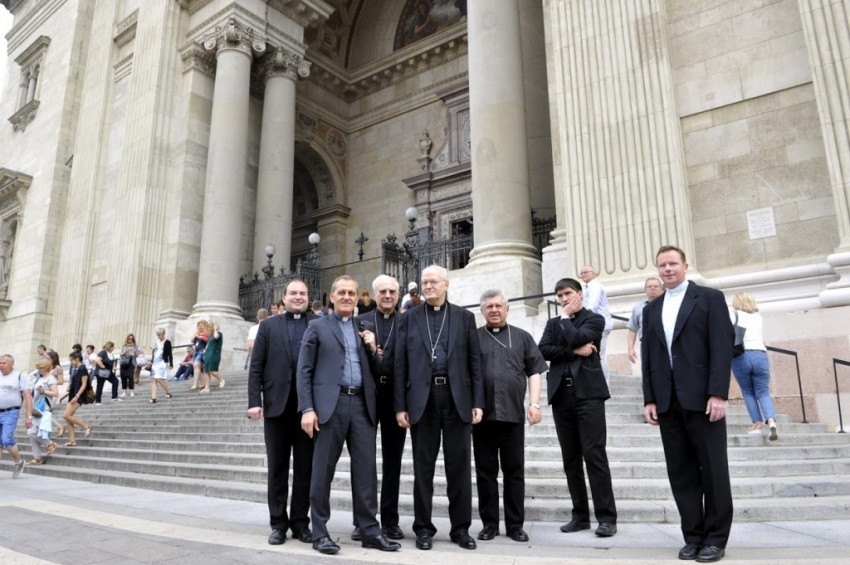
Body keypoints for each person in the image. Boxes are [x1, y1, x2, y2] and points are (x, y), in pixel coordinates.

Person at [641, 245, 734, 563]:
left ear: (685, 265)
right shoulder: (652, 309)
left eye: (672, 263)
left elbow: (721, 347)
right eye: (662, 265)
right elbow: (649, 357)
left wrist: (718, 393)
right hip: (668, 402)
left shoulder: (709, 299)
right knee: (681, 473)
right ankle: (693, 537)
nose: (667, 269)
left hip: (703, 400)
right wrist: (649, 398)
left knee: (713, 471)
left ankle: (715, 539)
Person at [297, 275, 400, 555]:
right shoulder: (317, 327)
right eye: (341, 292)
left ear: (357, 298)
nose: (346, 297)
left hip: (363, 406)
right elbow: (304, 370)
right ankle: (320, 532)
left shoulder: (363, 327)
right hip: (331, 406)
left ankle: (369, 531)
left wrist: (373, 348)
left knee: (366, 472)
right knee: (323, 472)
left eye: (351, 293)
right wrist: (307, 408)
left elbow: (379, 370)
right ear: (332, 297)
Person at [394, 264, 484, 551]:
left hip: (457, 399)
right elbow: (400, 363)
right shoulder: (409, 318)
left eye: (433, 282)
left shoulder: (464, 317)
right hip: (423, 400)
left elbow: (474, 362)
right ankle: (423, 529)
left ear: (447, 284)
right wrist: (400, 406)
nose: (428, 286)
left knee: (459, 468)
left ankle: (461, 529)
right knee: (423, 469)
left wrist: (477, 401)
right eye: (424, 282)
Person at [538, 277, 618, 538]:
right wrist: (573, 351)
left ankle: (606, 518)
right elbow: (543, 350)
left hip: (588, 395)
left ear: (580, 294)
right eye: (560, 295)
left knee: (594, 455)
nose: (564, 299)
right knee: (570, 459)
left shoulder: (594, 319)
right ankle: (580, 516)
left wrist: (565, 321)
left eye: (568, 294)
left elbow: (579, 336)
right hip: (562, 395)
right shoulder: (553, 323)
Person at [474, 289, 547, 543]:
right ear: (482, 311)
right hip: (481, 417)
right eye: (489, 307)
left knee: (514, 473)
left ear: (507, 309)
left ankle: (515, 525)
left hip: (512, 416)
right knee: (485, 473)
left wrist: (534, 404)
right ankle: (489, 524)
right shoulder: (474, 338)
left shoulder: (522, 337)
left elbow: (534, 371)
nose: (494, 310)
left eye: (498, 306)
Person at [248, 279, 316, 546]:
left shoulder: (319, 324)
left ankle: (300, 523)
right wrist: (254, 400)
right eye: (293, 293)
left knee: (305, 469)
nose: (298, 297)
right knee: (277, 468)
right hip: (276, 407)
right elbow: (256, 366)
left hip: (308, 410)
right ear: (284, 298)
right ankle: (278, 524)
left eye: (303, 293)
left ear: (308, 297)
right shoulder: (268, 326)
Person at [352, 274, 406, 541]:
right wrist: (375, 352)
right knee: (364, 463)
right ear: (374, 294)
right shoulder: (360, 321)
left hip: (396, 398)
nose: (387, 296)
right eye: (382, 291)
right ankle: (362, 520)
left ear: (398, 295)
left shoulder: (406, 321)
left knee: (393, 462)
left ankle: (390, 521)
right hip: (367, 398)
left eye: (392, 292)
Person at [730, 292, 778, 440]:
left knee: (748, 392)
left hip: (742, 355)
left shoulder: (734, 314)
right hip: (760, 355)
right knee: (763, 391)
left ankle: (757, 424)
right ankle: (771, 421)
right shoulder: (758, 317)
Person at [579, 265, 613, 386]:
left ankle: (605, 386)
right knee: (597, 355)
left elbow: (591, 306)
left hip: (599, 326)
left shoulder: (595, 286)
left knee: (600, 356)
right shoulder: (589, 287)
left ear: (594, 273)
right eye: (581, 273)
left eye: (586, 272)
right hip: (596, 326)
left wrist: (580, 320)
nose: (583, 275)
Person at [0, 354, 33, 478]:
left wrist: (28, 416)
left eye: (4, 363)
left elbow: (28, 396)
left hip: (11, 412)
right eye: (0, 363)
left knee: (6, 439)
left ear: (11, 364)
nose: (1, 365)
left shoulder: (19, 376)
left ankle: (19, 462)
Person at [27, 358, 59, 465]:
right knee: (33, 433)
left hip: (44, 408)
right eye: (38, 368)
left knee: (31, 432)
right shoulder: (40, 378)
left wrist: (43, 391)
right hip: (37, 408)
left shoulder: (50, 378)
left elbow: (55, 393)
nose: (39, 370)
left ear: (46, 367)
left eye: (41, 367)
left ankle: (50, 443)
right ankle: (37, 457)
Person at [626, 277, 664, 364]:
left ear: (662, 289)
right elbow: (632, 329)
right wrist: (630, 348)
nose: (652, 288)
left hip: (664, 343)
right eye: (649, 286)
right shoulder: (638, 307)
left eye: (656, 286)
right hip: (647, 344)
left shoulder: (667, 305)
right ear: (645, 290)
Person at [62, 351, 92, 446]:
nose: (71, 362)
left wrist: (77, 396)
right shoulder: (77, 369)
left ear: (77, 359)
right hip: (73, 395)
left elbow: (84, 384)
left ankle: (86, 427)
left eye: (72, 360)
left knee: (66, 415)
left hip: (78, 396)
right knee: (68, 418)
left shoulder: (83, 368)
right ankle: (72, 441)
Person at [149, 328, 173, 403]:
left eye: (160, 335)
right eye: (158, 335)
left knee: (159, 379)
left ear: (163, 334)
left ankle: (168, 391)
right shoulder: (156, 342)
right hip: (155, 362)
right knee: (153, 379)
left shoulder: (167, 342)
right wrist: (152, 360)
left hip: (162, 362)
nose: (159, 336)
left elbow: (170, 353)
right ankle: (154, 398)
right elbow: (154, 352)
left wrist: (171, 364)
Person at [200, 321, 224, 392]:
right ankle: (207, 387)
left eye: (210, 327)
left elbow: (216, 337)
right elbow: (208, 345)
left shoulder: (219, 333)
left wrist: (216, 329)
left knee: (212, 370)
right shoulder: (210, 335)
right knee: (206, 371)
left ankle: (221, 380)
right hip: (207, 354)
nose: (209, 328)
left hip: (214, 354)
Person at [189, 320, 210, 390]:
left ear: (205, 326)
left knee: (196, 365)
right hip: (196, 351)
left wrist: (201, 337)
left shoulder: (207, 333)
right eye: (198, 326)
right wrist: (194, 336)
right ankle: (202, 383)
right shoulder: (197, 333)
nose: (199, 327)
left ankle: (195, 384)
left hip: (202, 351)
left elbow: (208, 340)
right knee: (196, 367)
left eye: (201, 325)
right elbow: (192, 341)